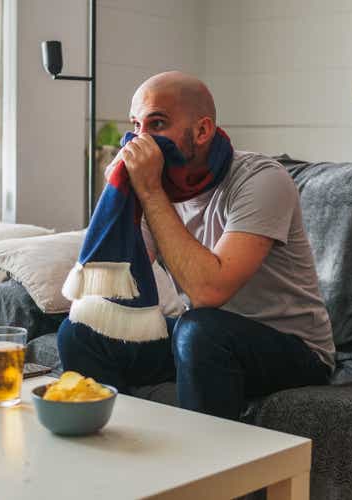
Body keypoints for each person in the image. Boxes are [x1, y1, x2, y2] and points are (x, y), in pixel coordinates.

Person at [57, 71, 334, 420]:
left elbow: (209, 292)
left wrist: (151, 193)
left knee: (201, 328)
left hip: (294, 350)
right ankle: (115, 451)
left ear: (202, 131)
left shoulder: (262, 179)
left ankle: (204, 470)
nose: (140, 141)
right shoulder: (156, 183)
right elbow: (127, 279)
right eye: (135, 126)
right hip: (204, 340)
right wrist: (120, 194)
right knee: (81, 332)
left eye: (156, 124)